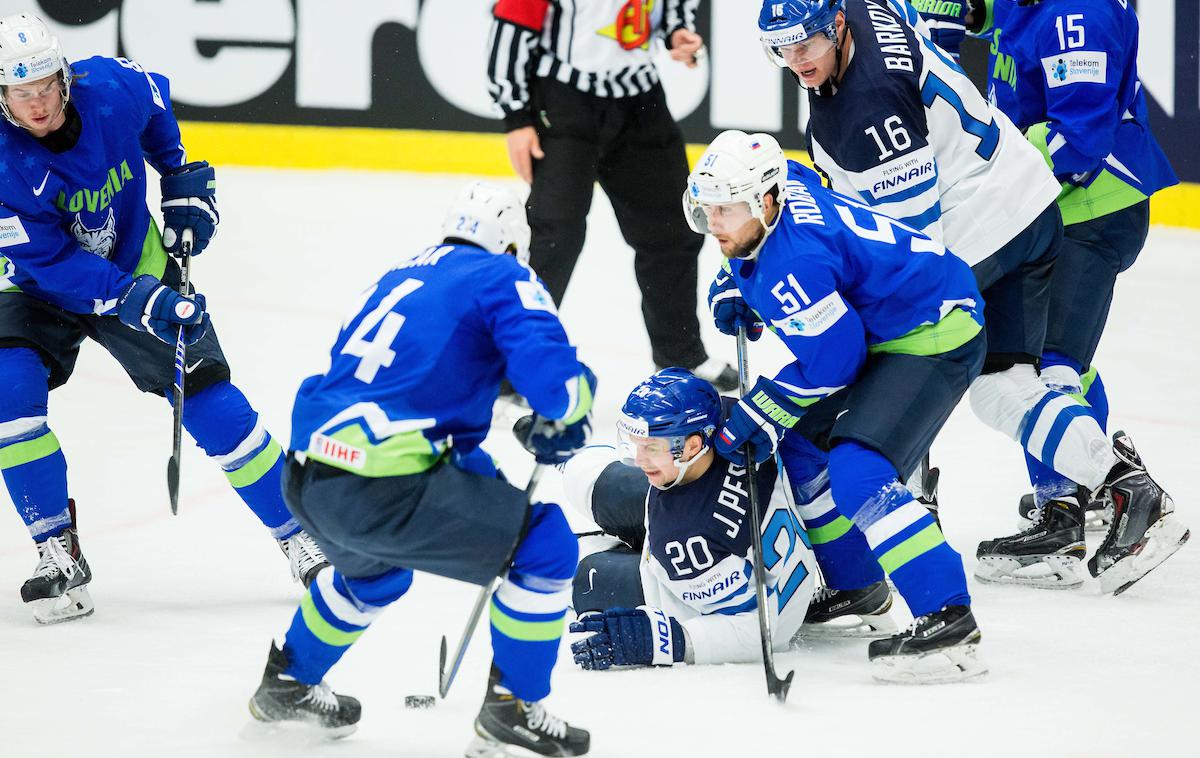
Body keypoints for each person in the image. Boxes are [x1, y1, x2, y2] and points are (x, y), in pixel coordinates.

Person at [757, 0, 1186, 595]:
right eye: (782, 47)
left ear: (834, 28)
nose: (795, 59)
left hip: (977, 228)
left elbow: (910, 249)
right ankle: (1130, 489)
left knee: (898, 351)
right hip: (1027, 203)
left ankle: (894, 505)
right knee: (1002, 387)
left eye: (804, 43)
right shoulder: (861, 14)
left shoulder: (871, 107)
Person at [0, 13, 327, 625]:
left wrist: (177, 172)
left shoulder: (110, 89)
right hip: (36, 285)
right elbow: (51, 262)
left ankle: (302, 534)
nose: (39, 101)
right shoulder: (1, 163)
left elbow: (155, 99)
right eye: (23, 92)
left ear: (64, 77)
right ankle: (57, 550)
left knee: (211, 400)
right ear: (3, 95)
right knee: (9, 398)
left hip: (135, 257)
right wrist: (136, 299)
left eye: (47, 83)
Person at [247, 182, 594, 756]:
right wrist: (569, 416)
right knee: (546, 544)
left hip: (310, 475)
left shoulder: (402, 274)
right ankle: (515, 707)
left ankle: (288, 683)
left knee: (376, 575)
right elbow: (558, 388)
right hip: (384, 486)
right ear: (511, 244)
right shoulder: (504, 276)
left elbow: (415, 395)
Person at [693, 130, 991, 683]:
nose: (714, 224)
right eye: (708, 209)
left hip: (934, 330)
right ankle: (858, 585)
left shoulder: (793, 264)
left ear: (763, 202)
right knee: (803, 450)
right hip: (888, 322)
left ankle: (949, 618)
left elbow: (835, 362)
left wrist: (761, 408)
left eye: (726, 211)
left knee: (859, 472)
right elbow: (807, 178)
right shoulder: (783, 188)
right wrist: (733, 281)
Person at [917, 0, 1189, 590]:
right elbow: (1003, 20)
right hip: (1054, 211)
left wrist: (987, 175)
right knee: (1059, 364)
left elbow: (1079, 141)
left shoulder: (1078, 15)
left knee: (1042, 372)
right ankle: (1086, 492)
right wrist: (964, 12)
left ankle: (1069, 517)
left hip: (1090, 210)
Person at [561, 368, 890, 671]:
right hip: (694, 498)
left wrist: (667, 641)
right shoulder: (736, 421)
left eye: (651, 447)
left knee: (569, 566)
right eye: (635, 444)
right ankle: (571, 469)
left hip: (673, 581)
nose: (640, 458)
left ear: (690, 445)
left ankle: (589, 544)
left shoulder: (688, 545)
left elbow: (759, 628)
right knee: (591, 478)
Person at [486, 0, 738, 391]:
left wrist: (676, 32)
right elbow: (513, 19)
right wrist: (516, 116)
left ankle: (679, 354)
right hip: (564, 98)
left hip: (639, 96)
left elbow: (671, 7)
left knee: (673, 229)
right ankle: (509, 372)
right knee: (554, 237)